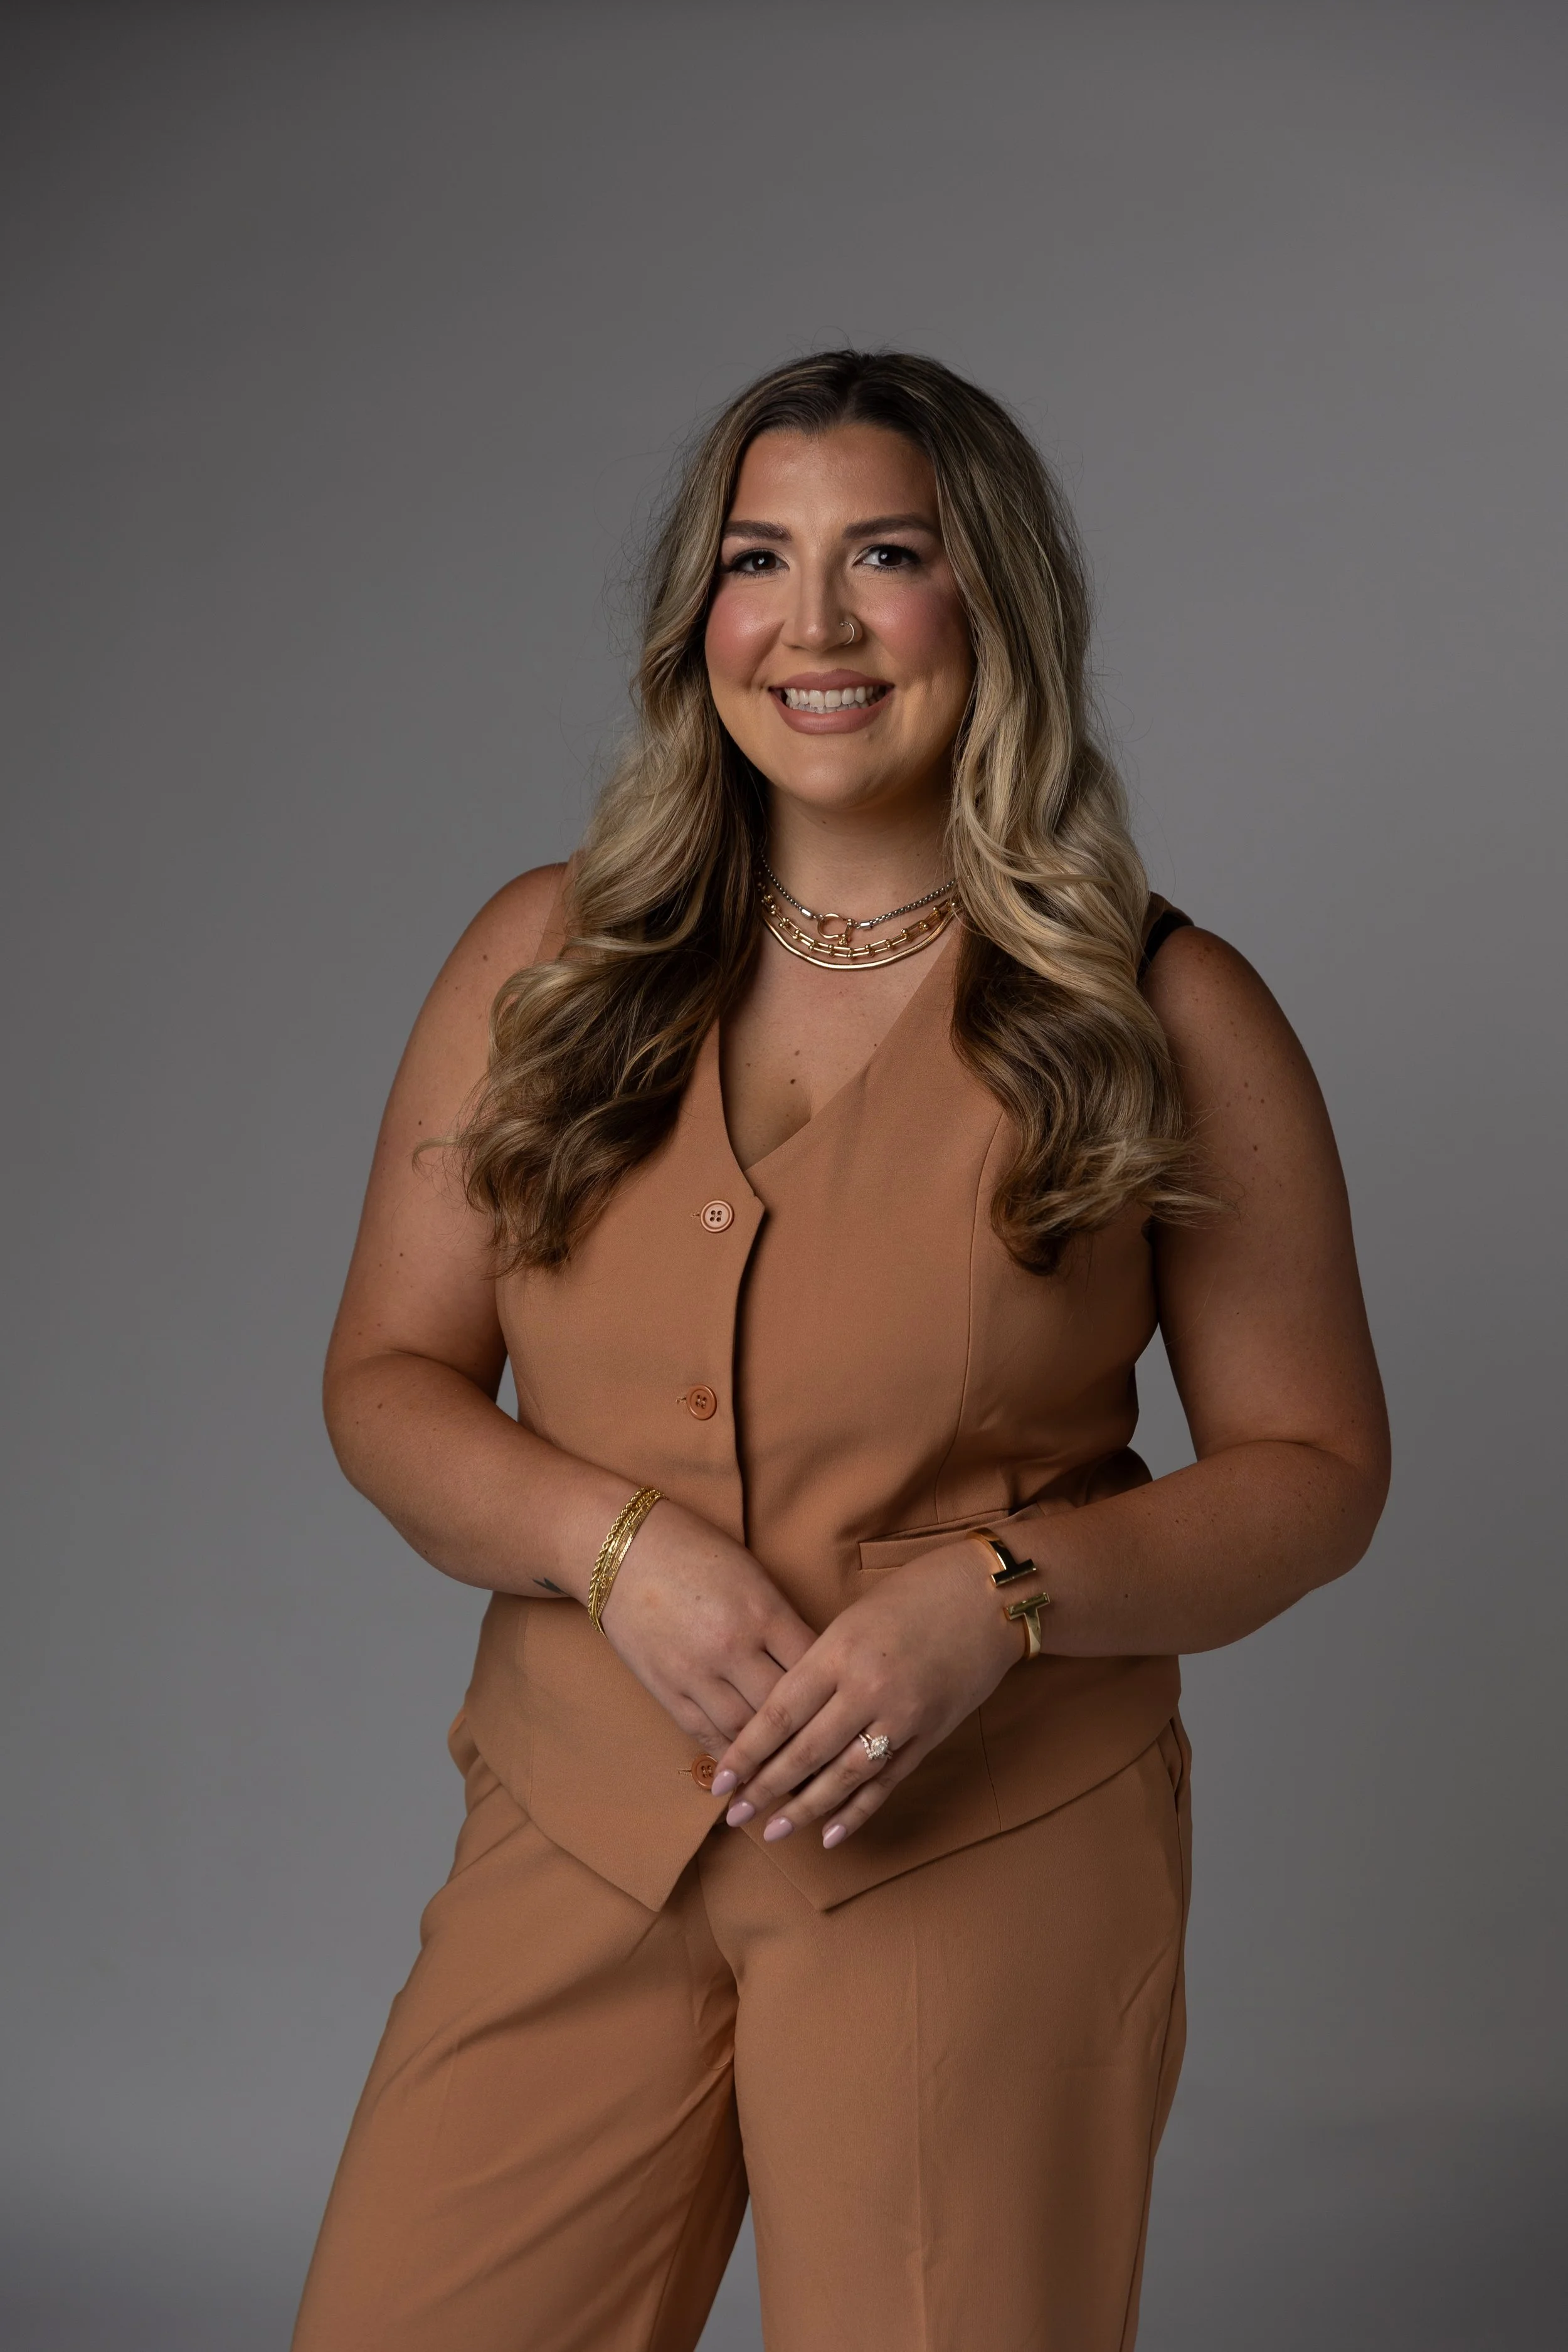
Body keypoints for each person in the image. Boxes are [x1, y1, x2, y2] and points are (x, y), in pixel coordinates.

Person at [290, 350, 1389, 2352]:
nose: (809, 625)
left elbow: (1315, 1469)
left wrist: (1001, 1597)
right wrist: (612, 1544)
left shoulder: (1166, 1005)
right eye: (753, 558)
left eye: (883, 556)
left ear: (990, 606)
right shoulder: (539, 968)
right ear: (691, 617)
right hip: (580, 1829)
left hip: (984, 1847)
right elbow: (386, 1381)